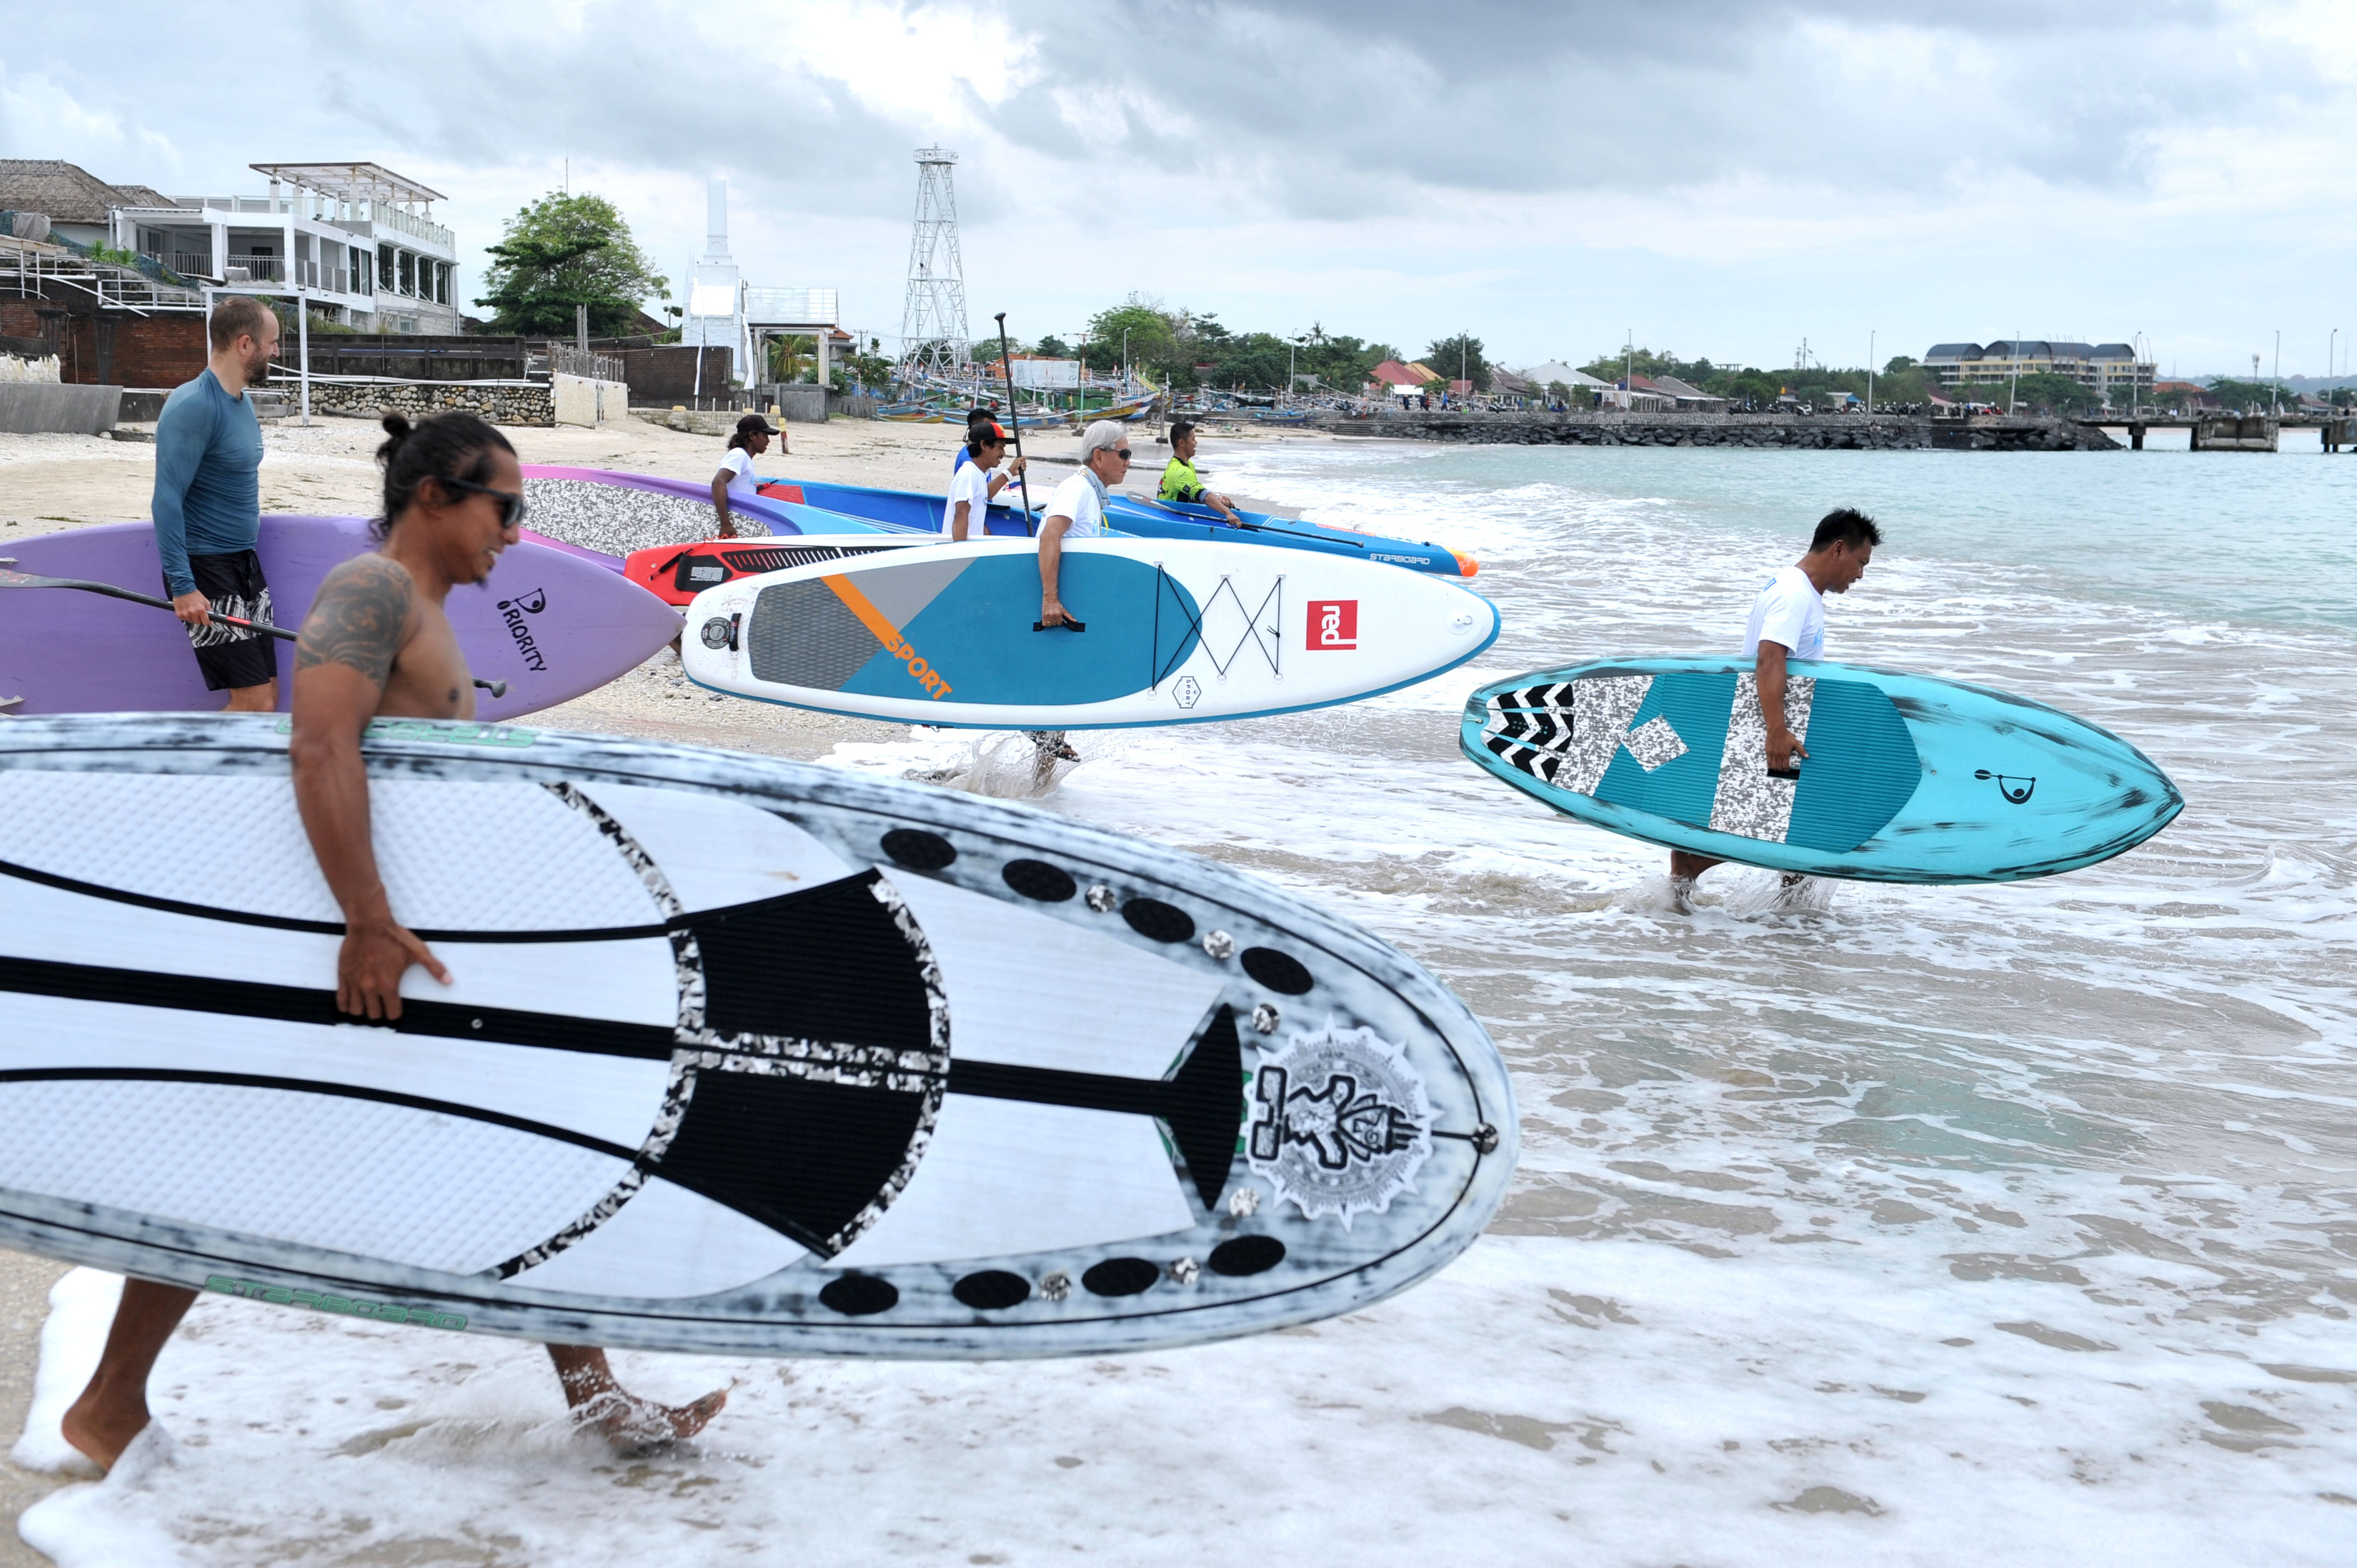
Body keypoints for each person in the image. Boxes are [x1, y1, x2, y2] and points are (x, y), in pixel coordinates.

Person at [59, 412, 729, 1473]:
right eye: (505, 507)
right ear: (436, 497)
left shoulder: (426, 608)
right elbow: (318, 743)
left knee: (513, 1152)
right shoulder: (369, 592)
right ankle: (106, 1405)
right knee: (298, 1157)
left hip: (409, 941)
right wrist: (364, 921)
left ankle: (112, 1407)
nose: (516, 530)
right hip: (367, 940)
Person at [1669, 507, 1881, 907]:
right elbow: (1769, 659)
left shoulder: (1799, 591)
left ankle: (1787, 921)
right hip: (1776, 728)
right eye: (1861, 562)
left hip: (1781, 726)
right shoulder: (1793, 594)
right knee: (1790, 827)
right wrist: (1776, 730)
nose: (1860, 575)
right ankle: (1691, 870)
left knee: (1799, 829)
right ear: (1839, 549)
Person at [154, 295, 280, 711]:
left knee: (268, 697)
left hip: (243, 564)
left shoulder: (240, 403)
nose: (276, 352)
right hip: (206, 571)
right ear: (246, 345)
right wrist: (184, 585)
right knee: (254, 701)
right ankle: (189, 772)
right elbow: (167, 499)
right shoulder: (194, 405)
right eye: (272, 342)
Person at [1026, 419, 1130, 767]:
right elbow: (1050, 536)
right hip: (1059, 604)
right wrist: (1050, 598)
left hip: (1072, 604)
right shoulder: (1078, 488)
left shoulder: (1090, 491)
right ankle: (1038, 746)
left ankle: (1040, 791)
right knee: (1062, 687)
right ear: (1099, 456)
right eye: (1124, 453)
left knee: (1063, 690)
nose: (1128, 461)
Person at [946, 422, 1025, 541]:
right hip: (962, 553)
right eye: (1001, 447)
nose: (1003, 453)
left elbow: (985, 493)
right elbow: (961, 514)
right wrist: (960, 552)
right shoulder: (969, 474)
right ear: (984, 445)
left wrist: (1010, 472)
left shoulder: (978, 473)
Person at [710, 412, 784, 538]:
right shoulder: (739, 455)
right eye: (765, 435)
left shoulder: (746, 459)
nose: (768, 441)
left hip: (741, 523)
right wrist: (725, 524)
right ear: (752, 435)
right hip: (733, 526)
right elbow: (718, 482)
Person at [1156, 420, 1242, 524]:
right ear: (1182, 443)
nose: (1196, 443)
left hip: (1181, 518)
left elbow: (1195, 495)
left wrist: (1217, 500)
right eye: (1193, 439)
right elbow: (1204, 496)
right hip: (1170, 521)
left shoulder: (1186, 465)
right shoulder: (1179, 471)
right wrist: (1228, 513)